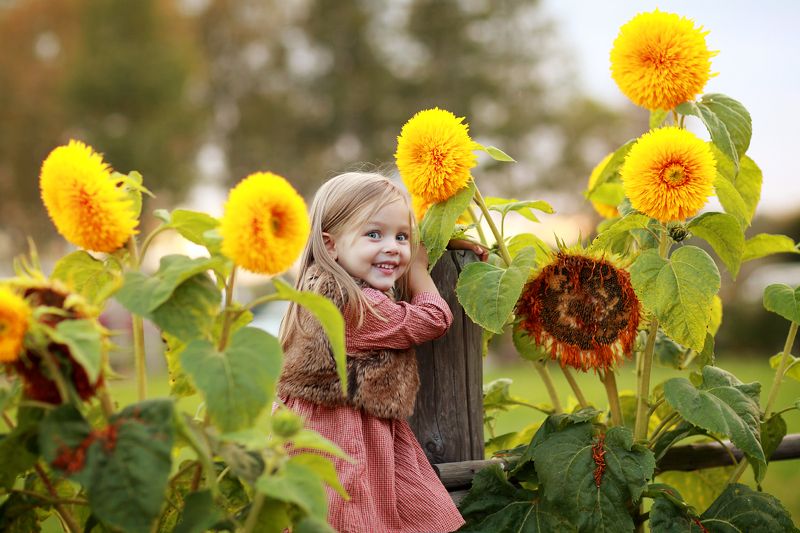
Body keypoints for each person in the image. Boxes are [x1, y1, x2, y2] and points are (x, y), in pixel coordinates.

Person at [277, 171, 485, 532]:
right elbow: (433, 319)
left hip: (344, 430)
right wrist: (419, 267)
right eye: (374, 234)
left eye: (402, 236)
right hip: (345, 440)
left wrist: (440, 243)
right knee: (357, 517)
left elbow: (387, 264)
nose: (393, 247)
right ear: (330, 245)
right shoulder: (353, 305)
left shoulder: (324, 287)